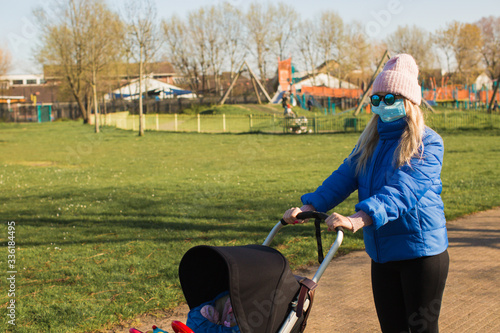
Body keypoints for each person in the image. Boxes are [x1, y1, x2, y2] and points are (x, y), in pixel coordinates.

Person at [282, 54, 449, 333]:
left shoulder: (428, 143)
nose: (383, 105)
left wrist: (359, 218)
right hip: (382, 254)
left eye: (390, 98)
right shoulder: (368, 143)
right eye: (377, 98)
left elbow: (403, 191)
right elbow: (343, 178)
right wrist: (311, 206)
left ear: (408, 101)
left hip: (420, 254)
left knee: (422, 329)